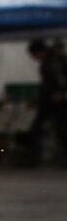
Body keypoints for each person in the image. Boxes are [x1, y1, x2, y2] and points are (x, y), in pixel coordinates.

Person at [26, 37, 67, 165]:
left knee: (60, 130)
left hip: (57, 100)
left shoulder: (54, 61)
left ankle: (33, 159)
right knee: (57, 130)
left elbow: (60, 80)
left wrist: (62, 93)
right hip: (50, 99)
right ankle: (33, 158)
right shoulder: (50, 61)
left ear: (39, 52)